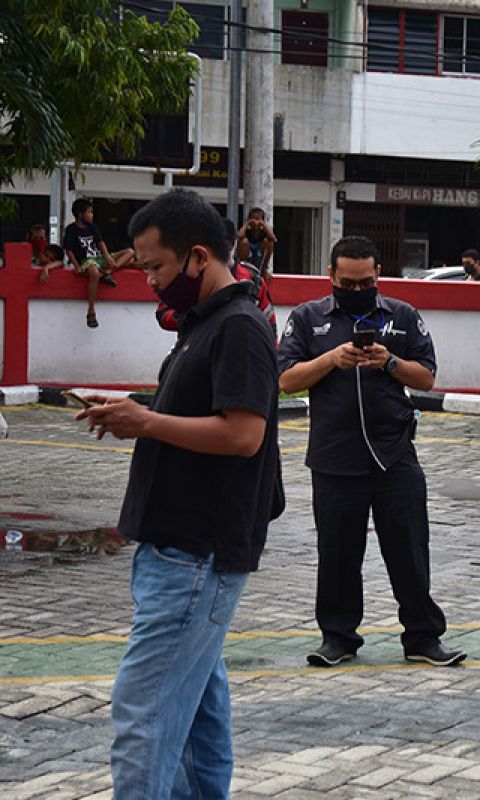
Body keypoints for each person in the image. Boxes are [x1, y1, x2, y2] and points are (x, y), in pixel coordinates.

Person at [75, 189, 281, 797]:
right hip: (177, 552)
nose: (150, 283)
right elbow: (193, 415)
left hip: (196, 556)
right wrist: (133, 412)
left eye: (155, 268)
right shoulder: (205, 324)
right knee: (195, 720)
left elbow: (244, 435)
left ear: (197, 257)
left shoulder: (239, 326)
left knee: (144, 717)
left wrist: (146, 422)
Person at [278, 236, 466, 669]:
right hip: (334, 456)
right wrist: (332, 359)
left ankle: (422, 637)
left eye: (365, 282)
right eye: (347, 282)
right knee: (338, 554)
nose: (357, 289)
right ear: (331, 276)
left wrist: (389, 362)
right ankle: (338, 638)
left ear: (378, 274)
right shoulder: (308, 319)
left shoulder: (402, 316)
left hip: (394, 454)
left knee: (410, 550)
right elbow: (286, 379)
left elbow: (427, 378)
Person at [158, 218, 276, 336]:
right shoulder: (189, 275)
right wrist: (190, 318)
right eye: (217, 245)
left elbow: (269, 324)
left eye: (228, 244)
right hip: (196, 347)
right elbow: (163, 313)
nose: (224, 250)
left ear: (233, 245)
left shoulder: (252, 279)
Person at [63, 198, 135, 328]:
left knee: (129, 252)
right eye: (89, 212)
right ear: (80, 214)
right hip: (86, 261)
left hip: (99, 258)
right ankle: (91, 311)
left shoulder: (93, 227)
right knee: (94, 271)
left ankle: (107, 273)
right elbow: (69, 250)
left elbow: (100, 243)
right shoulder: (71, 229)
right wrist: (77, 266)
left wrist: (107, 256)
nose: (92, 215)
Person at [236, 207, 277, 276]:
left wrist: (263, 224)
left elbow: (274, 239)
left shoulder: (264, 231)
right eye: (253, 219)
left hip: (259, 253)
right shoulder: (246, 230)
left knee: (268, 242)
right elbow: (238, 236)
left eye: (258, 219)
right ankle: (242, 268)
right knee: (244, 241)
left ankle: (264, 269)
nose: (255, 222)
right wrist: (247, 223)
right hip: (248, 253)